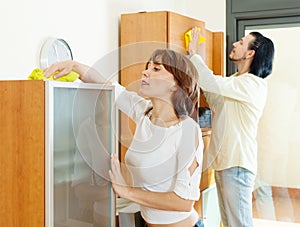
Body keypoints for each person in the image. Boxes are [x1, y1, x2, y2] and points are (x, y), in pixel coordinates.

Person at [44, 49, 205, 227]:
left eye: (156, 69)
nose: (145, 72)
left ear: (176, 83)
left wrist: (126, 191)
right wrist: (73, 65)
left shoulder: (187, 131)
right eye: (147, 67)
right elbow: (108, 85)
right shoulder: (144, 113)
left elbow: (183, 202)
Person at [188, 28, 274, 227]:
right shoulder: (235, 82)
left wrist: (194, 55)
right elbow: (212, 93)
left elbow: (211, 83)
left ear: (251, 53)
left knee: (239, 223)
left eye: (242, 42)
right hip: (225, 163)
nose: (235, 44)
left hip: (237, 165)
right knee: (229, 223)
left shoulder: (253, 84)